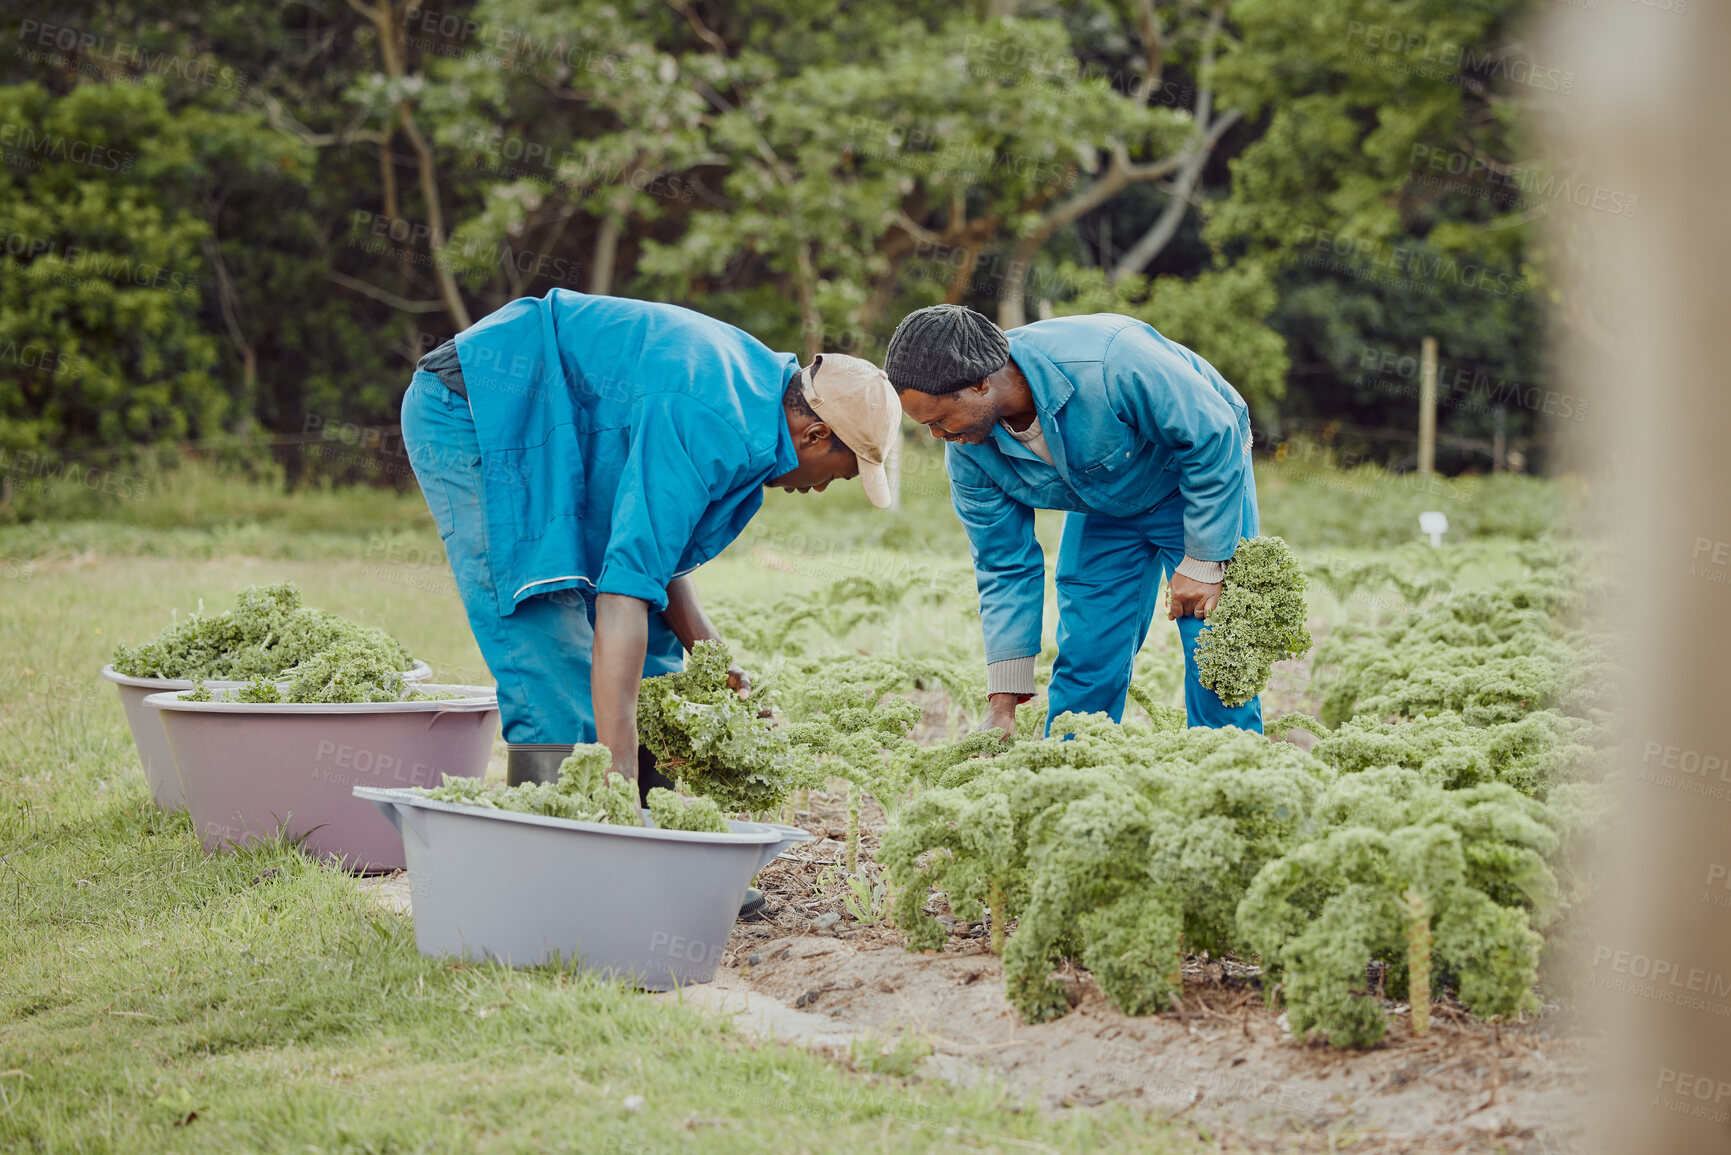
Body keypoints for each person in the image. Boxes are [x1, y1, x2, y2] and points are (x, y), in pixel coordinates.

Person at [403, 289, 901, 791]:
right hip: (483, 407)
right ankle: (559, 834)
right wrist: (613, 766)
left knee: (656, 669)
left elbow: (655, 557)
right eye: (836, 475)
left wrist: (714, 661)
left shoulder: (756, 404)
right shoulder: (714, 420)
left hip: (563, 427)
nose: (818, 488)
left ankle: (644, 821)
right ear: (814, 435)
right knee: (547, 633)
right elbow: (625, 592)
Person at [884, 304, 1260, 737]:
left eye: (939, 420)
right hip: (1106, 500)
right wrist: (1002, 703)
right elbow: (1004, 562)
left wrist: (1205, 560)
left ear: (980, 382)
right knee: (1086, 652)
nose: (936, 436)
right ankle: (1074, 782)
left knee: (1216, 649)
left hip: (1195, 481)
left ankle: (1229, 777)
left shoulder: (1110, 362)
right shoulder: (968, 447)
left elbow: (1213, 436)